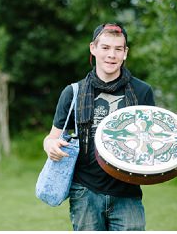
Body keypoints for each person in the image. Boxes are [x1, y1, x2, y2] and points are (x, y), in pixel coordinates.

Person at [44, 23, 154, 231]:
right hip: (85, 192)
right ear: (93, 49)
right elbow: (51, 138)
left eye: (118, 49)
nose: (111, 55)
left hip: (127, 193)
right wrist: (50, 146)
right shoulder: (73, 92)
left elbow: (149, 141)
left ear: (125, 53)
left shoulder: (142, 91)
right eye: (105, 48)